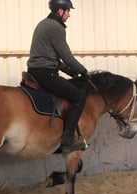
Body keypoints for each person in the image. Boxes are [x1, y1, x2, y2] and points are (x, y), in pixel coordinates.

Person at [27, 0, 90, 154]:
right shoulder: (56, 27)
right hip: (45, 73)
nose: (69, 15)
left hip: (37, 70)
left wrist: (72, 73)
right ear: (59, 11)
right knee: (79, 97)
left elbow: (54, 59)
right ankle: (67, 141)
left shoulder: (44, 24)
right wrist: (82, 70)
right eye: (67, 11)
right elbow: (66, 55)